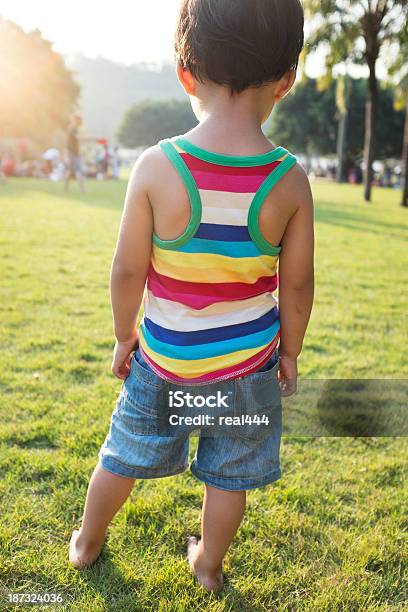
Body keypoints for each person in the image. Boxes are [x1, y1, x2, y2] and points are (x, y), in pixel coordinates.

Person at [69, 0, 314, 593]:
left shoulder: (157, 166)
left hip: (164, 358)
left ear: (185, 73)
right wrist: (289, 352)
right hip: (247, 365)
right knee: (229, 474)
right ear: (288, 78)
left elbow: (128, 269)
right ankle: (208, 565)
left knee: (123, 452)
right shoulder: (289, 180)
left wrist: (125, 334)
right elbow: (299, 284)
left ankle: (87, 541)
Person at [64, 114, 85, 193]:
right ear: (77, 120)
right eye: (80, 120)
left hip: (73, 153)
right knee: (78, 170)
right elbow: (77, 138)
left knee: (71, 171)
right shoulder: (73, 128)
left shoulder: (72, 128)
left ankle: (66, 189)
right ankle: (81, 189)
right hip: (72, 153)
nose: (81, 122)